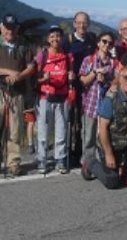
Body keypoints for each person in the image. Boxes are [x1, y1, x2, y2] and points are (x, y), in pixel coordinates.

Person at [0, 14, 36, 177]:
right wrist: (8, 72)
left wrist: (19, 76)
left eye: (13, 28)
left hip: (16, 92)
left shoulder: (23, 44)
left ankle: (14, 163)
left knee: (15, 130)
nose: (10, 31)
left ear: (17, 28)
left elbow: (31, 66)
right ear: (1, 27)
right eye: (7, 27)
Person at [34, 25, 75, 173]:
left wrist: (72, 76)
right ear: (48, 39)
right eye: (52, 36)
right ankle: (42, 160)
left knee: (61, 131)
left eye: (57, 36)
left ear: (62, 38)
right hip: (45, 97)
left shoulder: (67, 56)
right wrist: (43, 79)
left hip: (62, 98)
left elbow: (71, 74)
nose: (55, 39)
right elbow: (35, 78)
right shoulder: (42, 55)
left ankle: (60, 160)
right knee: (43, 132)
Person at [79, 31, 119, 179]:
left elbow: (118, 82)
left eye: (110, 43)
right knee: (88, 137)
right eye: (104, 41)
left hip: (106, 107)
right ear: (98, 43)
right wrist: (95, 73)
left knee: (102, 137)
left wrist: (107, 80)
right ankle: (87, 165)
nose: (107, 45)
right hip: (90, 104)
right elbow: (83, 81)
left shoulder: (114, 63)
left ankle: (99, 165)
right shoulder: (88, 60)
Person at [62, 11, 97, 167]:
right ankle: (70, 153)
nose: (82, 25)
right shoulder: (67, 41)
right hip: (72, 87)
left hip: (88, 87)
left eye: (85, 22)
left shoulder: (92, 39)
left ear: (88, 24)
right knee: (71, 120)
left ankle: (82, 151)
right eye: (79, 22)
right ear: (74, 23)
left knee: (85, 121)